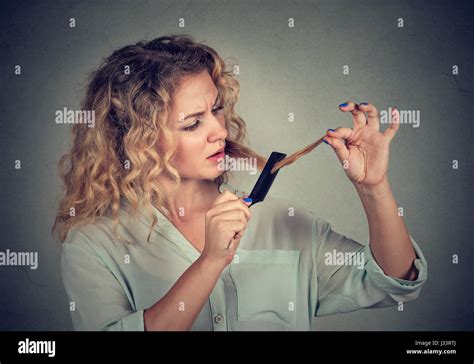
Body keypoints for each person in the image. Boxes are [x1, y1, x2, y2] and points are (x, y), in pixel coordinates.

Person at [53, 34, 427, 331]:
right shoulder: (94, 245)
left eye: (216, 108)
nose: (219, 129)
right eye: (192, 122)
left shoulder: (287, 223)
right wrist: (210, 262)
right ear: (140, 139)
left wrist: (373, 186)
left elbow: (392, 281)